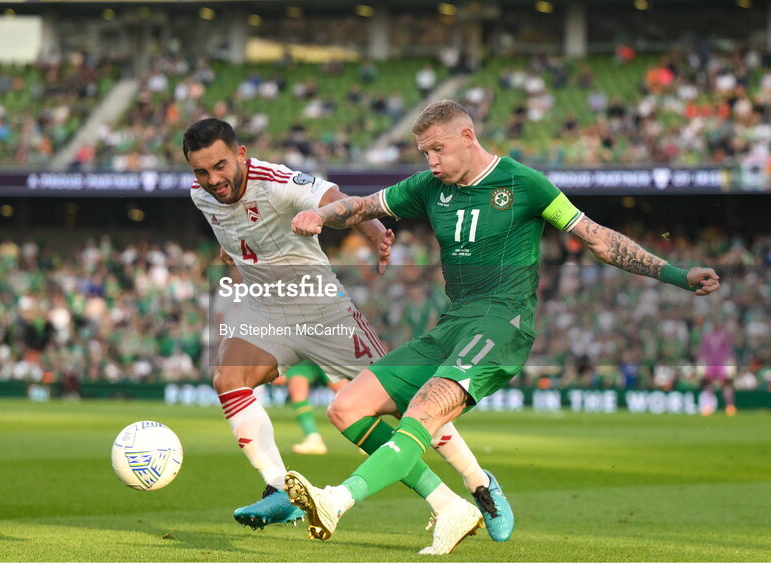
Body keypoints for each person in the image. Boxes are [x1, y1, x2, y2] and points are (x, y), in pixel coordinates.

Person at [284, 99, 722, 554]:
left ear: (467, 137)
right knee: (347, 408)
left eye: (437, 149)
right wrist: (322, 216)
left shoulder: (523, 183)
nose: (431, 162)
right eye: (424, 153)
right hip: (452, 323)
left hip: (502, 323)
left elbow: (598, 239)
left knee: (424, 410)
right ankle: (453, 503)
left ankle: (337, 499)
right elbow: (361, 206)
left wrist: (676, 274)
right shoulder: (429, 186)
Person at [184, 118, 504, 546]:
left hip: (323, 309)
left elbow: (334, 198)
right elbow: (237, 228)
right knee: (228, 378)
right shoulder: (201, 195)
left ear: (241, 155)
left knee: (408, 403)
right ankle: (281, 489)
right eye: (201, 172)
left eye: (220, 166)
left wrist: (374, 232)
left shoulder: (276, 181)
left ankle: (479, 484)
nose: (212, 179)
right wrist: (233, 252)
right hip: (266, 310)